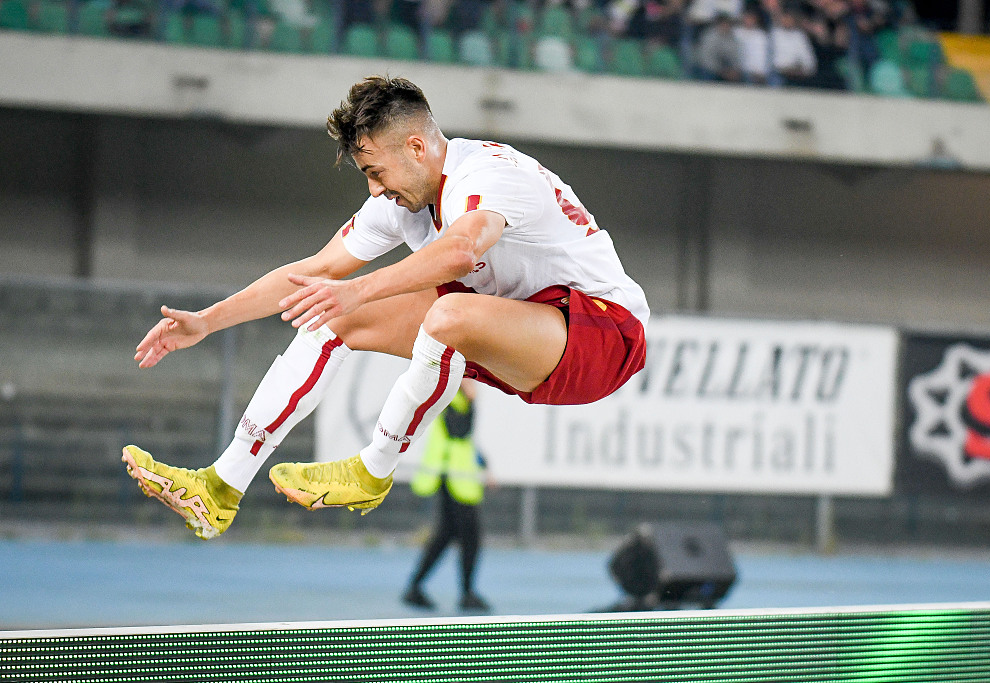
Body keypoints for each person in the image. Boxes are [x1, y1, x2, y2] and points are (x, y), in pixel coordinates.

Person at [121, 75, 649, 541]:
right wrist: (209, 320)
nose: (375, 189)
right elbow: (318, 272)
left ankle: (373, 470)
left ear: (417, 147)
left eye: (376, 172)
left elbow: (463, 249)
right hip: (519, 324)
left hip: (603, 337)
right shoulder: (400, 203)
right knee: (333, 316)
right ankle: (221, 486)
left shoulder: (489, 174)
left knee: (445, 317)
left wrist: (363, 288)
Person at [402, 379, 491, 612]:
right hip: (451, 479)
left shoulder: (456, 398)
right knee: (470, 537)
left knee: (446, 536)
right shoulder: (449, 397)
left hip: (457, 479)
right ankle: (467, 593)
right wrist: (472, 401)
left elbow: (466, 442)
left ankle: (416, 587)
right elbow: (459, 430)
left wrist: (485, 465)